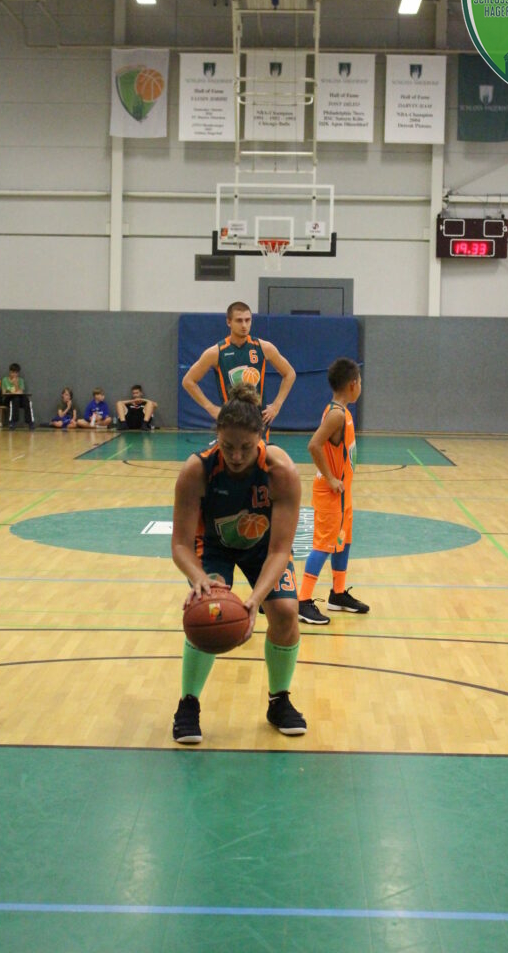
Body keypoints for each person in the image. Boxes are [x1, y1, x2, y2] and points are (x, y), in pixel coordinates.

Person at [171, 383, 306, 744]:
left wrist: (254, 601)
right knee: (208, 608)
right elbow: (180, 545)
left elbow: (280, 550)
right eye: (227, 446)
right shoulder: (196, 470)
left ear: (260, 438)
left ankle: (279, 700)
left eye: (245, 447)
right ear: (217, 436)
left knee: (285, 612)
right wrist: (198, 578)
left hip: (263, 548)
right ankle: (188, 704)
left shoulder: (282, 472)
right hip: (214, 546)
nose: (235, 455)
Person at [297, 357, 369, 625]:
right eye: (360, 382)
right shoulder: (336, 415)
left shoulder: (342, 411)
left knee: (343, 541)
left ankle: (338, 594)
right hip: (331, 494)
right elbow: (313, 445)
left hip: (343, 495)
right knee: (324, 545)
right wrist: (330, 478)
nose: (360, 386)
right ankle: (303, 601)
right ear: (352, 384)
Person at [182, 300, 296, 434]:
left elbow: (289, 373)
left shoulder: (264, 347)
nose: (244, 325)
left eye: (248, 320)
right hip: (230, 420)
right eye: (239, 320)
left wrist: (277, 405)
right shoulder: (216, 352)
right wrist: (211, 408)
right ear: (228, 322)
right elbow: (188, 381)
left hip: (257, 421)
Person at [1, 362, 35, 430]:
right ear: (10, 372)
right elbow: (4, 392)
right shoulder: (5, 380)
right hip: (8, 399)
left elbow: (20, 392)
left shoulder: (20, 380)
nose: (14, 374)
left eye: (16, 373)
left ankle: (30, 422)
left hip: (18, 399)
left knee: (26, 400)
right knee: (15, 399)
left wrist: (16, 384)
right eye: (13, 372)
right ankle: (12, 421)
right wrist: (13, 392)